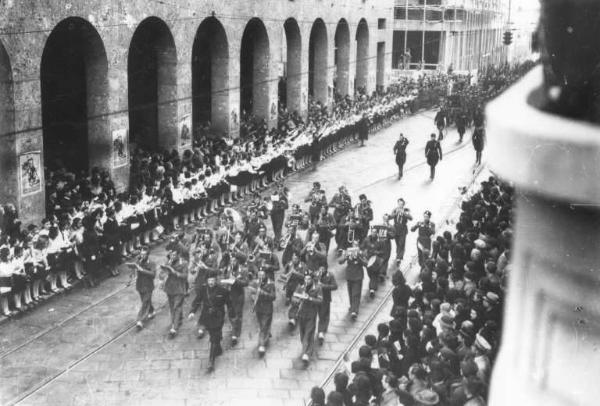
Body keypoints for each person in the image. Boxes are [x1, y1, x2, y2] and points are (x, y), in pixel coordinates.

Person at [188, 270, 231, 373]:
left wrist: (232, 315)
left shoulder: (223, 291)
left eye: (213, 280)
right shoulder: (203, 290)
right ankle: (218, 348)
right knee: (214, 334)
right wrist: (192, 312)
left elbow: (229, 304)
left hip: (218, 316)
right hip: (206, 316)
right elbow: (197, 301)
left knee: (213, 337)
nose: (211, 282)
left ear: (216, 280)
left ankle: (211, 362)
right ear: (206, 281)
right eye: (209, 280)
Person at [291, 271, 323, 364]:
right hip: (301, 313)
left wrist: (309, 298)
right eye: (305, 279)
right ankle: (306, 349)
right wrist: (297, 300)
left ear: (312, 279)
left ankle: (307, 353)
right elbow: (294, 297)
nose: (306, 281)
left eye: (309, 279)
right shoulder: (301, 287)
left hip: (311, 314)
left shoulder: (317, 288)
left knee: (308, 334)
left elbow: (320, 301)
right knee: (302, 333)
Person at [160, 249, 189, 338]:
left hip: (179, 288)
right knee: (173, 307)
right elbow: (161, 276)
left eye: (174, 255)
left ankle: (174, 327)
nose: (172, 257)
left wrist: (175, 272)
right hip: (169, 288)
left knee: (177, 307)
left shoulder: (183, 263)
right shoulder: (168, 262)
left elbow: (185, 276)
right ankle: (178, 319)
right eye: (171, 255)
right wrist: (165, 270)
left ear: (178, 255)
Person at [129, 246, 156, 330]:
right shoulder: (138, 261)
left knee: (145, 302)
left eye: (144, 254)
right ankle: (151, 311)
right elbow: (133, 270)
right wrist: (132, 272)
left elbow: (153, 274)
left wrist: (142, 270)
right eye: (141, 254)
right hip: (140, 285)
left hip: (148, 286)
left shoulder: (151, 263)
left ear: (147, 255)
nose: (142, 256)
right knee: (146, 301)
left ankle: (140, 320)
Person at [250, 268, 276, 356]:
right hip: (258, 308)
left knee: (263, 326)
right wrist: (254, 297)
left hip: (267, 308)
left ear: (266, 275)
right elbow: (252, 293)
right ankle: (267, 334)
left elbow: (273, 297)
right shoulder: (255, 282)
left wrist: (262, 292)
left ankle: (262, 345)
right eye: (259, 275)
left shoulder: (271, 284)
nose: (260, 277)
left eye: (262, 275)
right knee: (262, 325)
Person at [339, 242, 366, 320]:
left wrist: (359, 258)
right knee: (350, 293)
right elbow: (340, 261)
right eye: (354, 245)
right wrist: (346, 256)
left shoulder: (361, 253)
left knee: (356, 294)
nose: (355, 246)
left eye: (356, 245)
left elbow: (366, 263)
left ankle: (355, 311)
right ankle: (352, 307)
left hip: (358, 276)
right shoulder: (347, 252)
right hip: (350, 276)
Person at [316, 264, 338, 344]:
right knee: (323, 314)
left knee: (323, 314)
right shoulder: (316, 274)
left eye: (323, 269)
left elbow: (335, 286)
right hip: (317, 297)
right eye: (320, 268)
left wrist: (323, 286)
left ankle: (321, 331)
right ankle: (324, 326)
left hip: (325, 298)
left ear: (326, 269)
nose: (321, 270)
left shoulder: (330, 275)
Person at [390, 198, 412, 265]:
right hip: (396, 228)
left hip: (403, 229)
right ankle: (398, 254)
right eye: (399, 204)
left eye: (401, 204)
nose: (400, 205)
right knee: (397, 243)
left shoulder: (406, 210)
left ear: (403, 205)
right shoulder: (395, 209)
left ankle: (399, 258)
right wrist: (395, 213)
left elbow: (410, 218)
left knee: (401, 243)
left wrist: (404, 213)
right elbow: (390, 217)